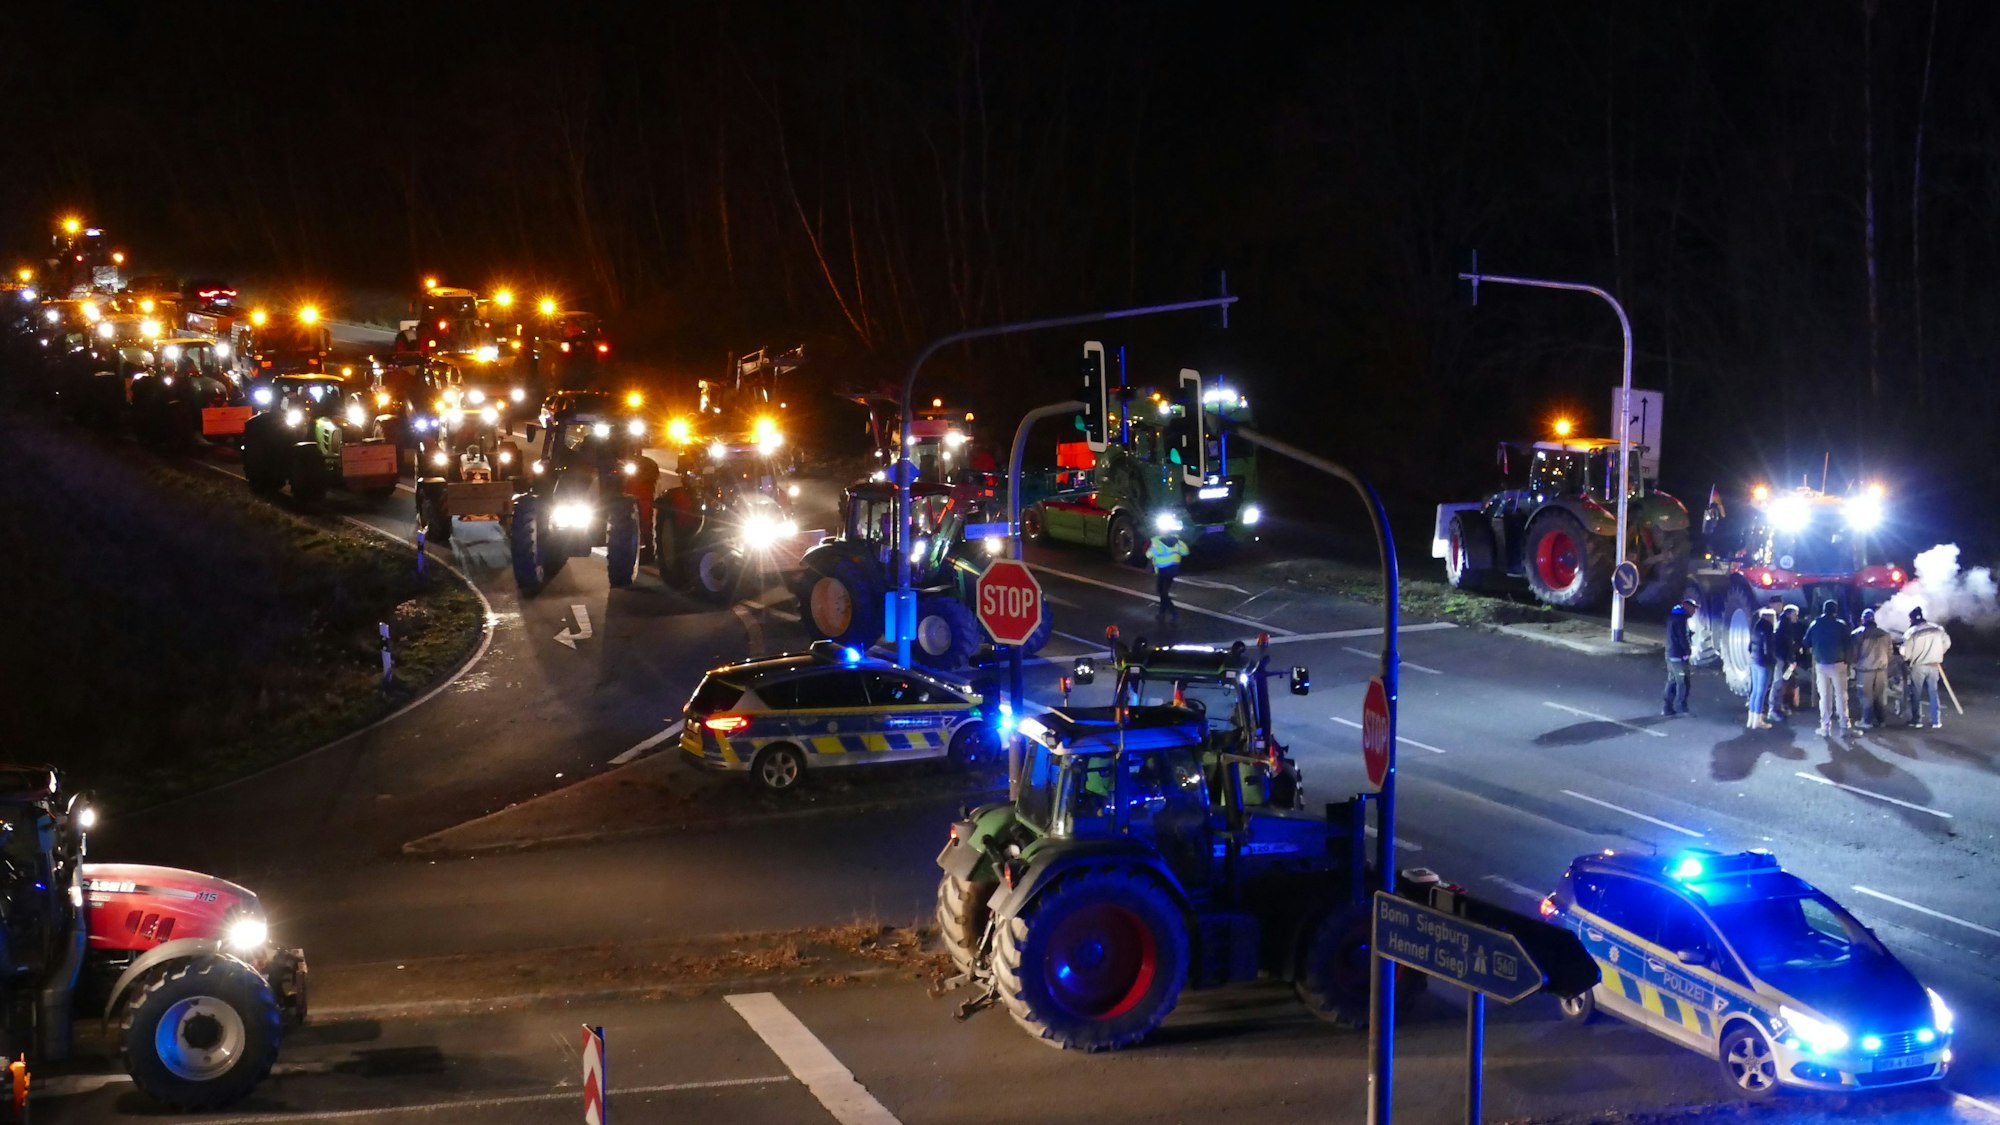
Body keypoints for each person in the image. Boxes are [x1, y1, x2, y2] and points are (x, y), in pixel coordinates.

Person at [1803, 599, 1853, 735]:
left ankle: (1825, 727)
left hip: (1821, 664)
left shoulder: (1815, 624)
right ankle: (1845, 725)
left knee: (1824, 696)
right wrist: (1848, 662)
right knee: (1841, 695)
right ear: (1835, 611)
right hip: (1838, 664)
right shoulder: (1841, 625)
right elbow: (1849, 644)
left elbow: (1806, 642)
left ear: (1824, 610)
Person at [1900, 607, 1952, 729]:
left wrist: (1911, 657)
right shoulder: (1937, 629)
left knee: (1916, 694)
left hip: (1918, 666)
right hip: (1934, 665)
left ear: (1912, 619)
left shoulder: (1911, 632)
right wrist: (1938, 653)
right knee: (1933, 693)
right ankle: (1936, 720)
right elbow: (1947, 643)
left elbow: (1905, 652)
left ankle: (1917, 720)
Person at [1849, 609, 1893, 729]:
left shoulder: (1857, 634)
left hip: (1865, 671)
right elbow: (1890, 652)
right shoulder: (1885, 634)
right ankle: (1881, 721)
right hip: (1881, 670)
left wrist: (1852, 665)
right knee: (1880, 696)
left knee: (1866, 696)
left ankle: (1867, 721)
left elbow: (1854, 653)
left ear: (1863, 619)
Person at [1146, 526, 1191, 619]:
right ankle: (1162, 613)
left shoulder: (1157, 543)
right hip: (1174, 569)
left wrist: (1152, 547)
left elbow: (1148, 555)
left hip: (1163, 570)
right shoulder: (1178, 542)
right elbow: (1185, 552)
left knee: (1161, 591)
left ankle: (1173, 612)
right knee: (1163, 591)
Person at [1662, 597, 1696, 716]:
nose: (1694, 611)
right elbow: (1682, 638)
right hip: (1678, 656)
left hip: (1671, 654)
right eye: (1693, 608)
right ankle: (1681, 706)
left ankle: (1667, 707)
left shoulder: (1674, 617)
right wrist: (1687, 651)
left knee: (1672, 680)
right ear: (1686, 606)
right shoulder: (1680, 620)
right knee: (1683, 681)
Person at [1747, 605, 1779, 729]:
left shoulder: (1756, 627)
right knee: (1761, 692)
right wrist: (1772, 662)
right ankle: (1758, 720)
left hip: (1754, 661)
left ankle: (1751, 720)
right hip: (1763, 664)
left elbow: (1749, 647)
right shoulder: (1768, 629)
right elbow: (1768, 649)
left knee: (1755, 691)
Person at [1773, 603, 1806, 717]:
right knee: (1779, 683)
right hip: (1783, 660)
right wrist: (1789, 659)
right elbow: (1783, 645)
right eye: (1795, 615)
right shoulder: (1783, 628)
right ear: (1788, 615)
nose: (1796, 617)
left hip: (1786, 660)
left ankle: (1784, 705)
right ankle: (1774, 709)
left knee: (1786, 682)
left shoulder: (1785, 626)